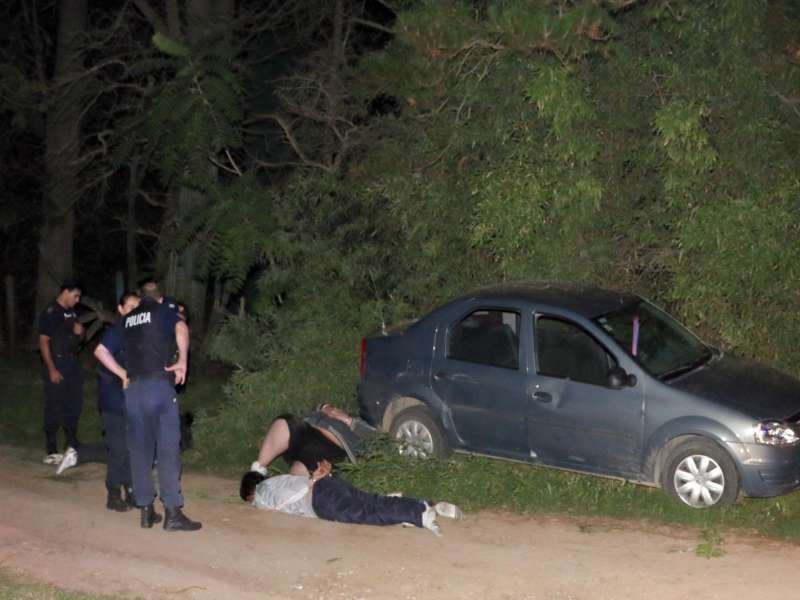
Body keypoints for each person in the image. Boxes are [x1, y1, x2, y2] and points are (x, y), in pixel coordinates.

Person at [95, 280, 201, 532]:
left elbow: (100, 350)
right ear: (160, 299)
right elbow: (181, 328)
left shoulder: (127, 319)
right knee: (167, 450)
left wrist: (124, 375)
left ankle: (146, 511)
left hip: (133, 392)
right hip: (158, 386)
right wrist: (183, 361)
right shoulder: (162, 310)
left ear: (140, 298)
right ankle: (172, 513)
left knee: (140, 451)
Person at [57, 292, 140, 512]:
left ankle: (131, 491)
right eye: (130, 306)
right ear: (121, 310)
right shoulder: (118, 331)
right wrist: (123, 374)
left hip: (134, 401)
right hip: (114, 400)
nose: (134, 310)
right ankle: (113, 494)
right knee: (119, 449)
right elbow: (100, 352)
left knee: (133, 448)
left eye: (138, 307)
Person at [240, 459, 462, 536]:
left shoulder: (263, 493)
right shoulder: (276, 480)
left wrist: (312, 481)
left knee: (367, 513)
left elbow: (285, 499)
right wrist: (316, 479)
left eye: (249, 500)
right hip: (328, 484)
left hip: (319, 498)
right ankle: (424, 504)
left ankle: (417, 513)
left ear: (251, 493)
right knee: (373, 501)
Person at [248, 403, 376, 478]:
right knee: (286, 422)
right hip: (310, 432)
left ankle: (293, 492)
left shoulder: (366, 423)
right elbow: (317, 406)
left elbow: (377, 439)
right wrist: (326, 407)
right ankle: (257, 472)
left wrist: (348, 420)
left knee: (304, 467)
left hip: (336, 451)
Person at [38, 283, 85, 464]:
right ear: (66, 292)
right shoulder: (51, 312)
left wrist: (80, 333)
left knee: (74, 401)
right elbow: (43, 341)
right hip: (57, 362)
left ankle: (72, 442)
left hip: (72, 362)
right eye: (75, 296)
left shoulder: (72, 313)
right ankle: (51, 447)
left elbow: (78, 337)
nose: (77, 300)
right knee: (55, 402)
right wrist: (52, 369)